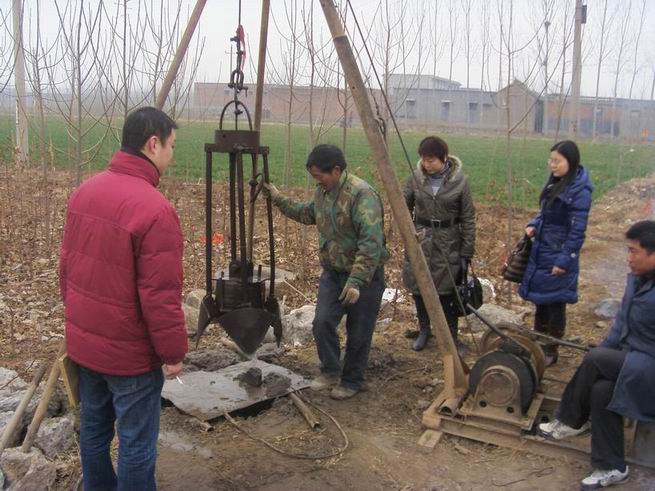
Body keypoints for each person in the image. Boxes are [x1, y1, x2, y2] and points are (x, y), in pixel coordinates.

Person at [59, 107, 188, 490]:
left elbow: (66, 271)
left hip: (86, 346)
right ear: (153, 144)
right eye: (171, 145)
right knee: (135, 442)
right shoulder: (155, 210)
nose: (172, 154)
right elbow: (160, 297)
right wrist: (173, 353)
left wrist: (80, 327)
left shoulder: (85, 190)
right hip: (129, 357)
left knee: (94, 431)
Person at [264, 144, 388, 400]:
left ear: (336, 170)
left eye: (320, 175)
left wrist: (356, 281)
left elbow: (371, 242)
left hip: (363, 277)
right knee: (322, 322)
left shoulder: (362, 195)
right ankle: (331, 370)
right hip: (333, 273)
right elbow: (309, 213)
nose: (317, 181)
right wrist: (278, 198)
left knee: (359, 331)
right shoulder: (324, 192)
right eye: (314, 176)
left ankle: (352, 380)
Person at [538, 220, 655, 490]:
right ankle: (611, 466)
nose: (629, 257)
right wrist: (605, 348)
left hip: (649, 367)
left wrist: (604, 356)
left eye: (634, 251)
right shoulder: (637, 280)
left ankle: (569, 420)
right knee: (602, 390)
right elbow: (620, 325)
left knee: (596, 360)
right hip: (635, 362)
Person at [519, 140, 593, 366]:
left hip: (558, 253)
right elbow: (546, 214)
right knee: (541, 301)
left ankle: (551, 348)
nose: (552, 165)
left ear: (570, 161)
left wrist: (564, 260)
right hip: (543, 250)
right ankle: (539, 343)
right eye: (551, 160)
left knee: (556, 303)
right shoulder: (557, 184)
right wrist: (534, 224)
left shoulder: (579, 191)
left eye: (557, 161)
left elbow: (577, 231)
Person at [401, 135, 476, 351]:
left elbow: (468, 218)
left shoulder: (460, 182)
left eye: (431, 160)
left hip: (448, 241)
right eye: (424, 160)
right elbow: (402, 206)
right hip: (421, 239)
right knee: (419, 286)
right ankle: (425, 330)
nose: (427, 165)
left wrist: (466, 251)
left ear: (444, 158)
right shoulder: (415, 178)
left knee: (447, 290)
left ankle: (450, 336)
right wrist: (409, 234)